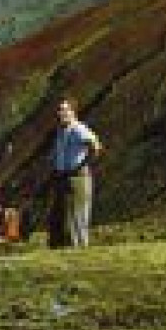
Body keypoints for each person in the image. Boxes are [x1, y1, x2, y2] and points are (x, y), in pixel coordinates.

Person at [48, 98, 103, 248]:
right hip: (62, 177)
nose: (61, 113)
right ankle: (66, 247)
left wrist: (83, 164)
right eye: (59, 110)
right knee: (63, 214)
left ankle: (79, 247)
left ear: (73, 112)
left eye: (65, 110)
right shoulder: (61, 131)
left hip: (77, 176)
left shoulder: (78, 129)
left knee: (77, 214)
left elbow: (95, 145)